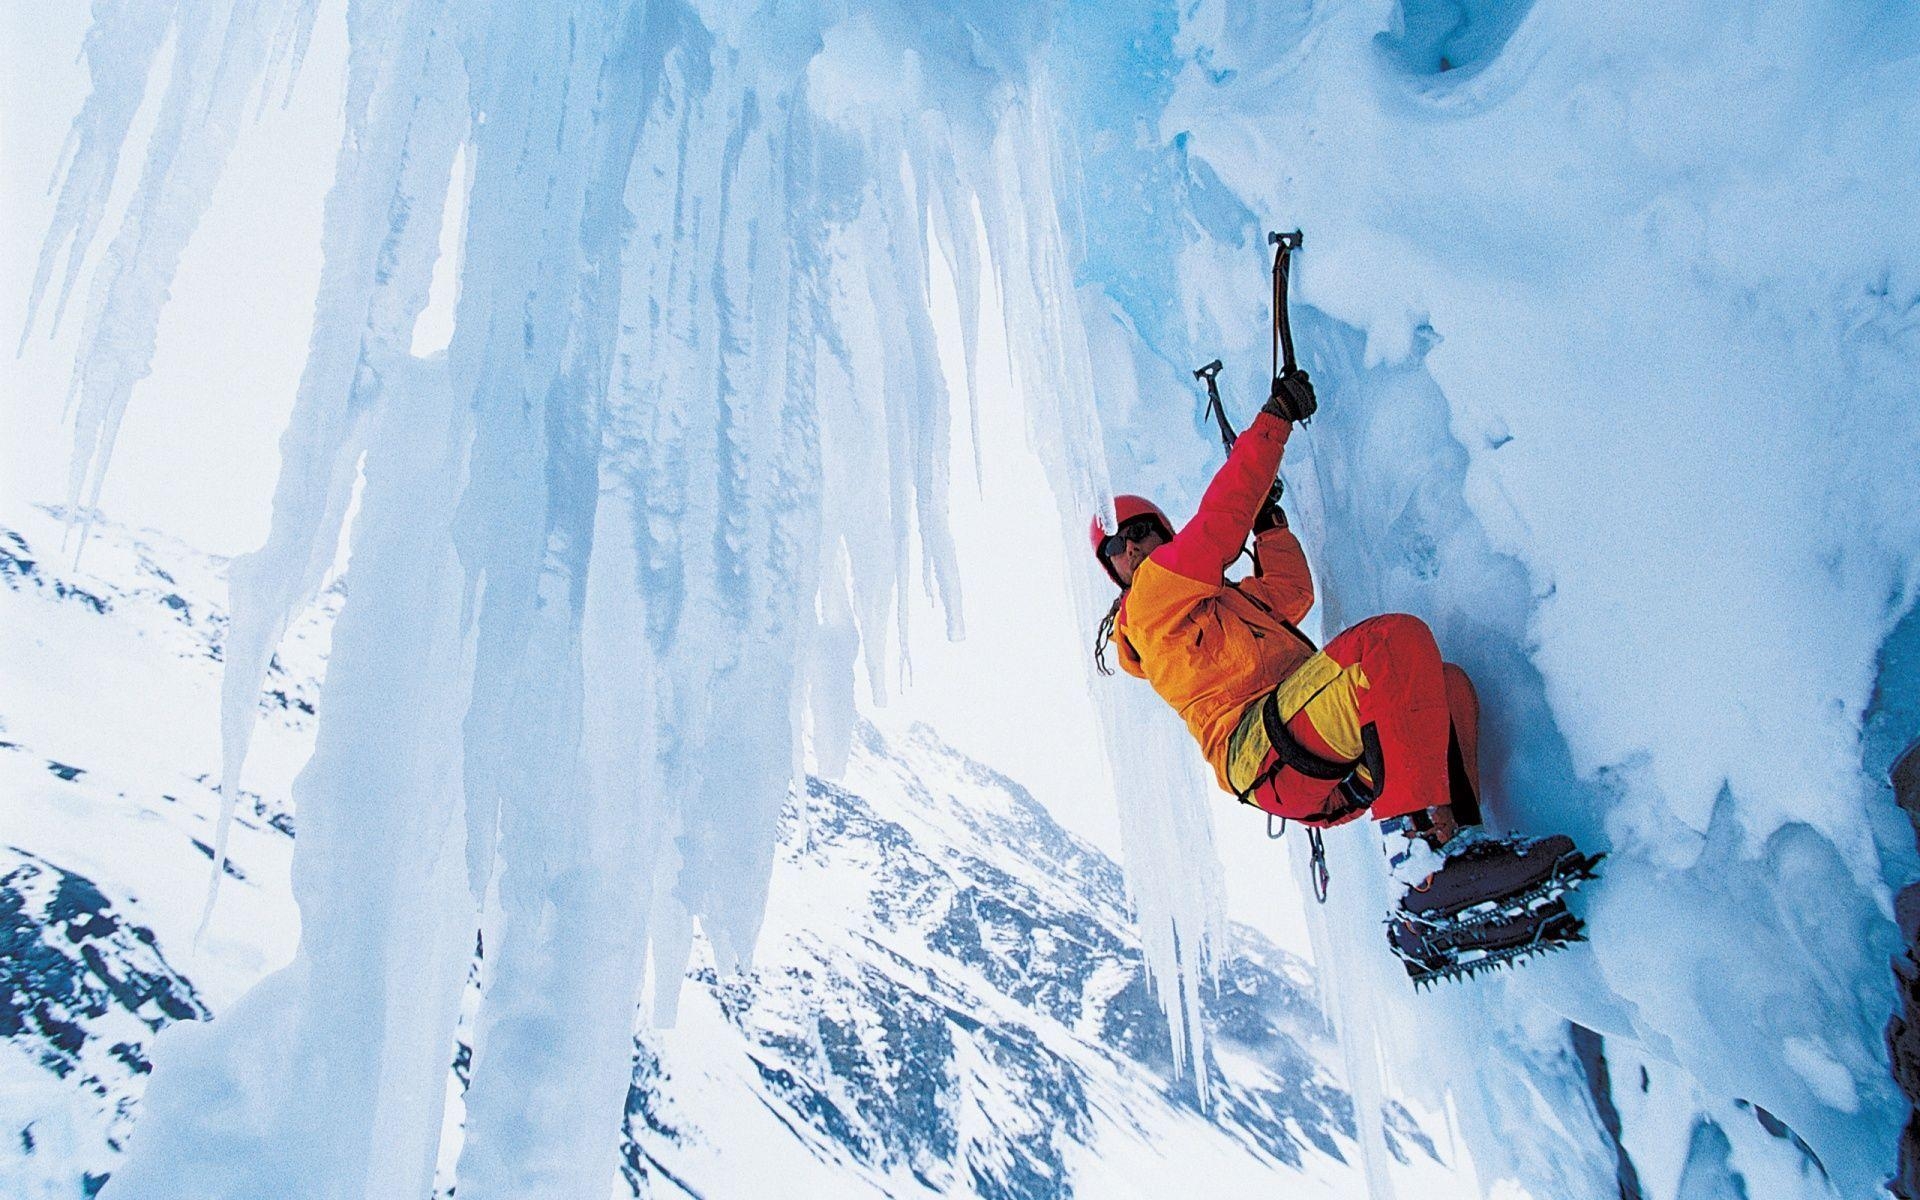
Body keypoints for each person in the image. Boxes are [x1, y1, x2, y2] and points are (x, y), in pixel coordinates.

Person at [1092, 368, 1596, 983]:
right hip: (1264, 749)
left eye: (1144, 531)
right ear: (1115, 574)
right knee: (1387, 643)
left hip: (1305, 761)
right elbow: (1217, 528)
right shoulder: (1147, 604)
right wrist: (1272, 422)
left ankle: (1450, 854)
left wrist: (1270, 524)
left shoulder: (1225, 607)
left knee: (1447, 686)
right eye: (1118, 545)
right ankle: (1417, 871)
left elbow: (1291, 593)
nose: (1134, 545)